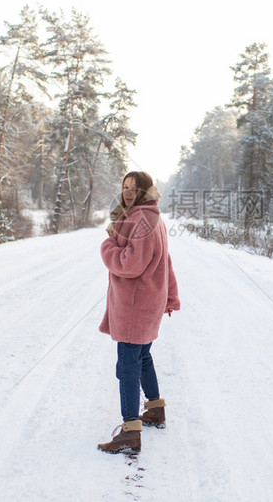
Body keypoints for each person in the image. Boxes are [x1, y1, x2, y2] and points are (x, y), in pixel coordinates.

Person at [97, 171, 180, 454]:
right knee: (142, 356)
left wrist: (107, 247)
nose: (129, 191)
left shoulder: (139, 218)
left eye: (135, 187)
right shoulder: (152, 216)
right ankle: (155, 410)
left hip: (135, 304)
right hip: (148, 301)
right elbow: (165, 262)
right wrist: (169, 295)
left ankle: (130, 432)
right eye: (125, 186)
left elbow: (131, 264)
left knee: (127, 365)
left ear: (146, 191)